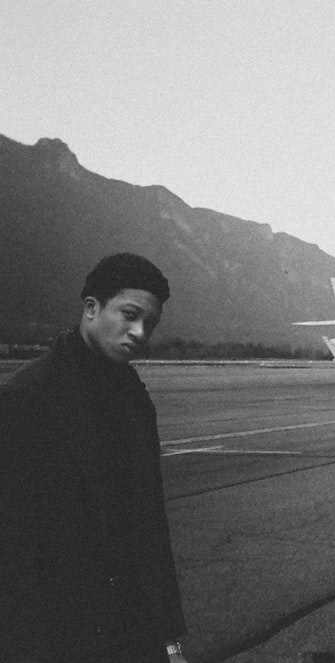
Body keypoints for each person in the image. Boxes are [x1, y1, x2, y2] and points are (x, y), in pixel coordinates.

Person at [0, 253, 189, 663]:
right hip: (57, 633)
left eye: (150, 324)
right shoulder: (27, 397)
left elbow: (150, 525)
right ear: (91, 308)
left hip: (132, 631)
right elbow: (12, 545)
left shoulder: (134, 399)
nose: (140, 332)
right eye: (130, 314)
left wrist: (171, 640)